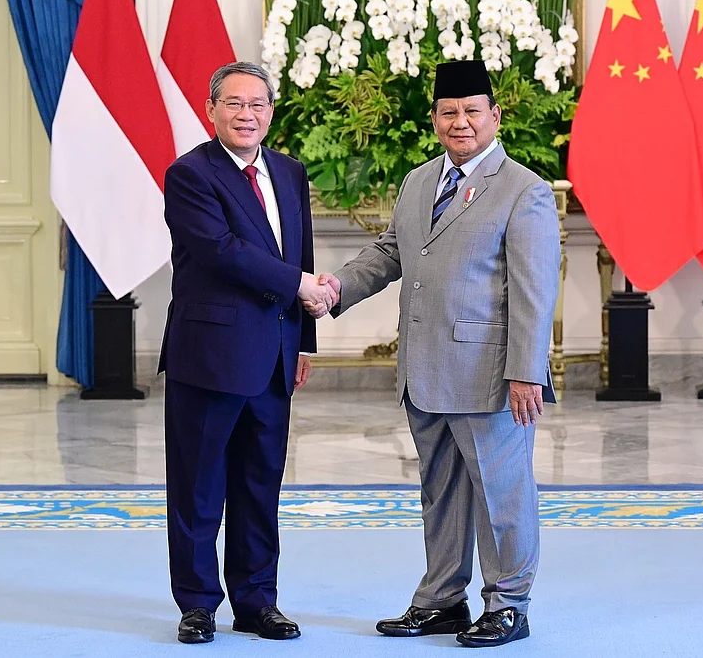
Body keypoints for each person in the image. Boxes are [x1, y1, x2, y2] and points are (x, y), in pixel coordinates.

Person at [308, 59, 560, 648]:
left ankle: (508, 605)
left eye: (473, 111)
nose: (461, 122)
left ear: (495, 116)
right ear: (435, 118)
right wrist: (337, 288)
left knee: (502, 496)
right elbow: (390, 253)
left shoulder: (525, 192)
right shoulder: (420, 182)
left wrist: (526, 372)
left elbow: (533, 293)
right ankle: (443, 599)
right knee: (440, 491)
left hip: (489, 376)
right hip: (425, 370)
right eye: (450, 112)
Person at [158, 61, 336, 645]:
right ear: (212, 111)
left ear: (271, 111)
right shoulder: (189, 175)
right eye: (234, 104)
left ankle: (258, 602)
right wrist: (301, 286)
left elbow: (298, 250)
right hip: (209, 357)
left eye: (258, 104)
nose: (247, 114)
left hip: (275, 360)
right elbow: (222, 250)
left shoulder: (289, 171)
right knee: (199, 486)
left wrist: (303, 341)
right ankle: (198, 604)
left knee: (261, 487)